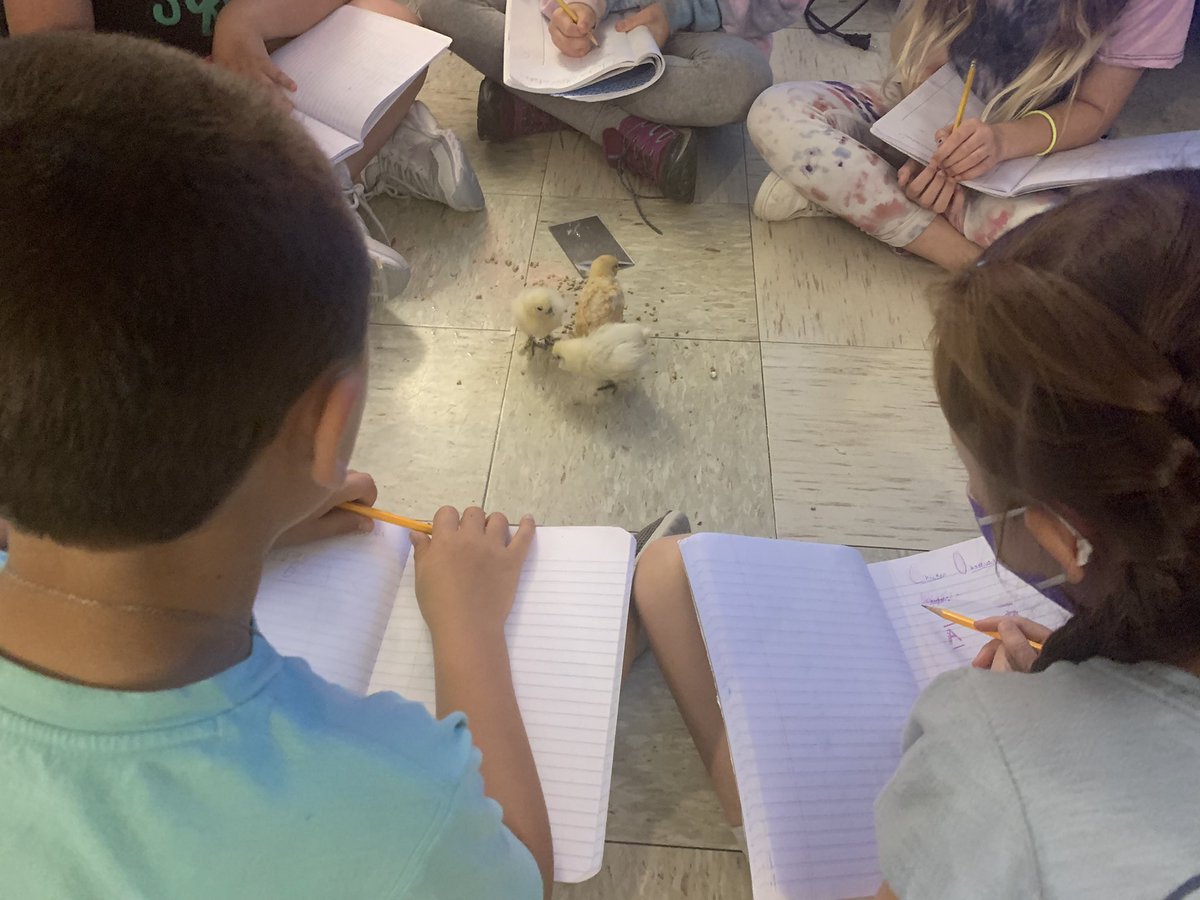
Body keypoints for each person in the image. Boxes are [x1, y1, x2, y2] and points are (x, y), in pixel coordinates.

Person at [0, 32, 550, 898]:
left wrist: (248, 509)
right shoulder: (401, 809)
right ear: (332, 431)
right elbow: (520, 874)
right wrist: (470, 627)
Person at [633, 169, 1200, 896]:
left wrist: (1041, 724)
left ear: (1067, 541)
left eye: (974, 477)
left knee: (668, 572)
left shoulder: (991, 749)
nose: (970, 492)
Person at [7, 0, 488, 300]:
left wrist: (246, 18)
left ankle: (329, 184)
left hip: (254, 64)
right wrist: (181, 91)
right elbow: (54, 63)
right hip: (138, 97)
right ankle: (356, 156)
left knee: (393, 20)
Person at [746, 0, 1197, 270]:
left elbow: (1094, 111)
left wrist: (1000, 142)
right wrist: (925, 148)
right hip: (923, 111)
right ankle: (971, 266)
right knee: (775, 113)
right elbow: (920, 51)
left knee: (1084, 255)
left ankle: (860, 201)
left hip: (1039, 152)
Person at [419, 0, 776, 202]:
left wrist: (676, 11)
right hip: (579, 17)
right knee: (439, 5)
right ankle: (615, 126)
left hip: (692, 34)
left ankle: (541, 99)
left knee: (746, 78)